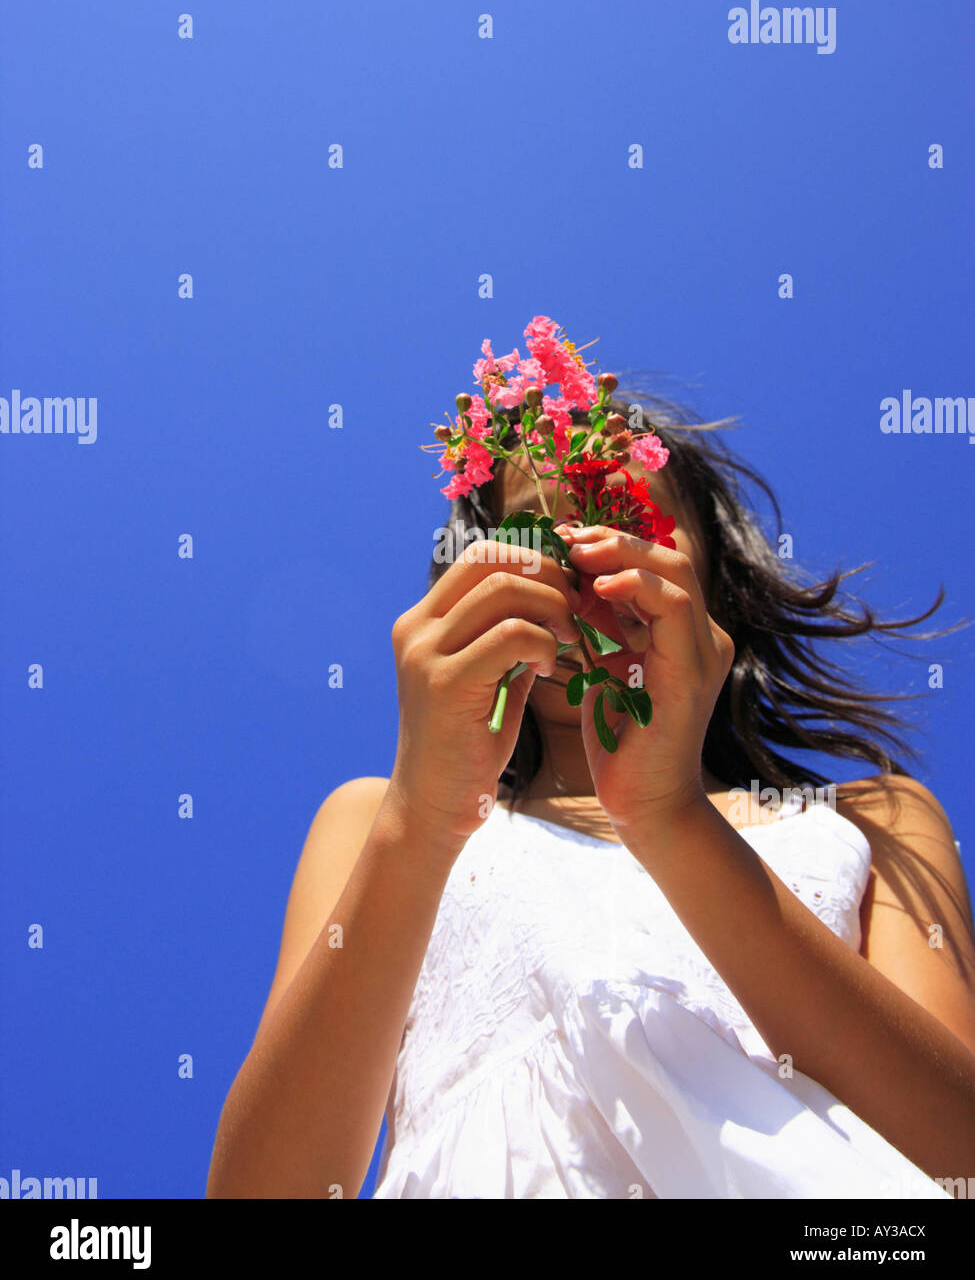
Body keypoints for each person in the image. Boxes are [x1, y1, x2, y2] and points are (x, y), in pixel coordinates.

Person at [205, 388, 975, 1200]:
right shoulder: (378, 820)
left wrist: (668, 818)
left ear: (714, 568)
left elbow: (957, 1161)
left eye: (623, 520)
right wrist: (425, 820)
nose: (580, 561)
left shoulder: (869, 819)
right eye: (535, 535)